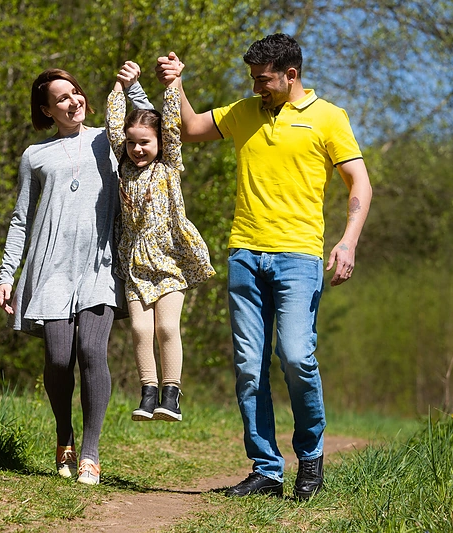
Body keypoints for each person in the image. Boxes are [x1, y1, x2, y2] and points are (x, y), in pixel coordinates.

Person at [156, 34, 372, 500]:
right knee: (249, 368)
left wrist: (348, 241)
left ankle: (310, 460)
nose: (257, 87)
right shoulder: (244, 112)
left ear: (291, 75)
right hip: (245, 254)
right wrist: (175, 84)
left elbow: (359, 181)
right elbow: (191, 128)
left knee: (296, 357)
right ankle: (267, 471)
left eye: (264, 79)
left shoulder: (328, 118)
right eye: (253, 79)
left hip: (298, 257)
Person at [0, 67, 152, 486]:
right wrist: (7, 272)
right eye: (61, 98)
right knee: (58, 358)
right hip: (50, 268)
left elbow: (154, 125)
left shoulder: (110, 138)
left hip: (100, 264)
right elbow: (19, 220)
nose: (74, 101)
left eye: (77, 92)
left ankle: (90, 452)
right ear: (47, 110)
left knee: (91, 350)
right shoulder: (35, 155)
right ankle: (63, 436)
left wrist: (132, 84)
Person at [105, 62, 215, 423]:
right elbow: (113, 124)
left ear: (160, 143)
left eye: (145, 143)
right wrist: (121, 87)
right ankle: (148, 392)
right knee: (139, 329)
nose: (138, 149)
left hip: (169, 257)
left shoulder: (168, 164)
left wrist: (173, 84)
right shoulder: (123, 166)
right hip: (134, 259)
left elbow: (169, 120)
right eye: (133, 143)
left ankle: (172, 392)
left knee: (167, 328)